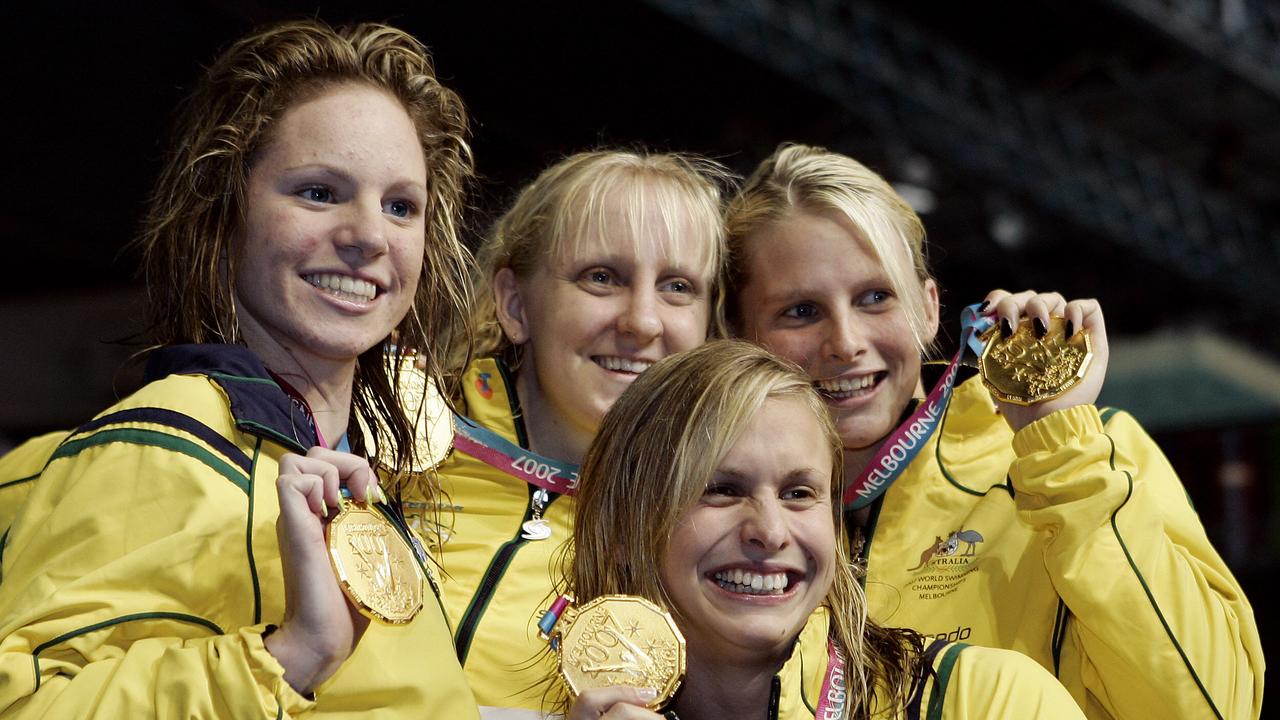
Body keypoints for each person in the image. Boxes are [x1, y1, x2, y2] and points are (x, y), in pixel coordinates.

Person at [0, 20, 480, 718]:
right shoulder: (169, 440)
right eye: (319, 192)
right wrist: (291, 657)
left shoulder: (356, 479)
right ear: (224, 214)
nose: (369, 236)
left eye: (401, 206)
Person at [724, 143, 1263, 719]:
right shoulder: (724, 524)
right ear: (736, 332)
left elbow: (1212, 708)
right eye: (800, 311)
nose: (846, 341)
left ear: (929, 309)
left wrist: (1059, 449)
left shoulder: (1082, 456)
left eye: (876, 297)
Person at [559, 340, 1085, 720]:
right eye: (720, 488)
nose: (770, 531)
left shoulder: (986, 701)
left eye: (798, 494)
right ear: (626, 526)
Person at [413, 150, 729, 715]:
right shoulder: (388, 454)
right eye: (602, 278)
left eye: (678, 287)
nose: (643, 321)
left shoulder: (718, 538)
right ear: (515, 304)